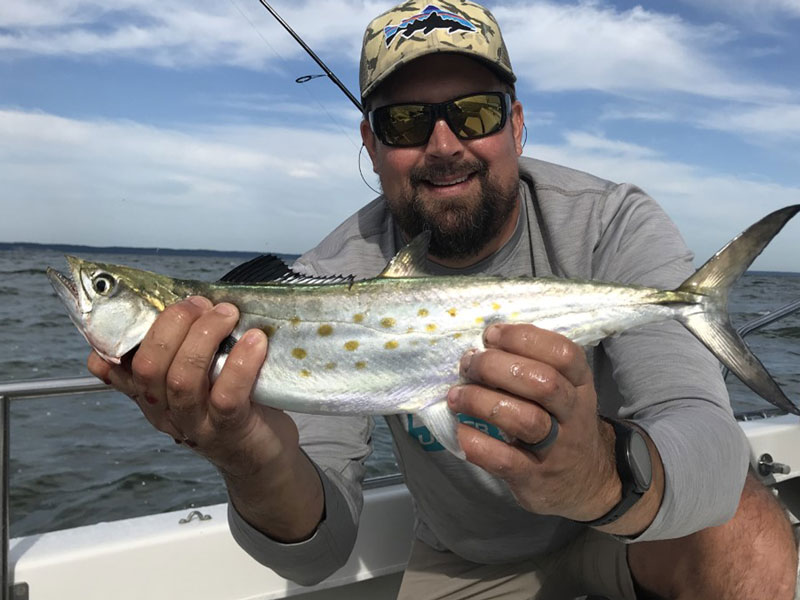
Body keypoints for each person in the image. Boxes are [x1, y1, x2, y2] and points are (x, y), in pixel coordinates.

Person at [88, 1, 798, 598]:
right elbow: (315, 556)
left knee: (748, 540)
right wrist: (246, 453)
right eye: (404, 123)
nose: (443, 143)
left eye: (475, 113)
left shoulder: (611, 221)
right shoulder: (328, 277)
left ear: (516, 125)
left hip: (626, 527)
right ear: (370, 144)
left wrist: (596, 475)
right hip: (469, 560)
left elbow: (705, 443)